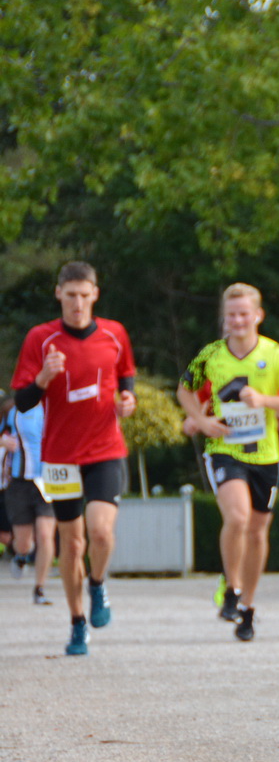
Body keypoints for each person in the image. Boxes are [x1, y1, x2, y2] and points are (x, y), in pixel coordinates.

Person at [8, 262, 137, 656]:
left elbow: (126, 374)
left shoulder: (115, 333)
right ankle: (77, 622)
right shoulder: (40, 338)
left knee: (100, 532)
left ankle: (97, 583)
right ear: (58, 294)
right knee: (71, 540)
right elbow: (23, 402)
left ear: (95, 294)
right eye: (70, 295)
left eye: (85, 295)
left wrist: (128, 399)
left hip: (104, 449)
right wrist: (44, 377)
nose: (78, 303)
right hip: (61, 455)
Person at [177, 284, 279, 642]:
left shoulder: (277, 355)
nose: (236, 320)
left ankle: (248, 607)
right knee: (238, 517)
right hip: (225, 450)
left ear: (257, 316)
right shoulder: (210, 355)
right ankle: (231, 587)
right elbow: (184, 390)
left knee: (257, 532)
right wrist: (202, 422)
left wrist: (265, 400)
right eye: (230, 314)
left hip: (265, 455)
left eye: (243, 313)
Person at [2, 395, 56, 606]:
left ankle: (39, 589)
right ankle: (21, 556)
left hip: (47, 481)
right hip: (19, 483)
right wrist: (3, 441)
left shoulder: (53, 408)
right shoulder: (11, 411)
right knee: (24, 543)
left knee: (45, 534)